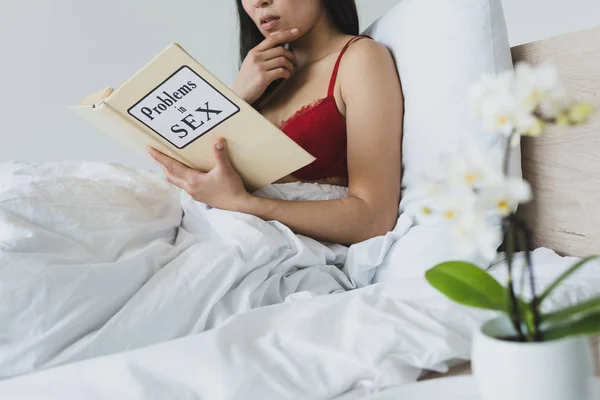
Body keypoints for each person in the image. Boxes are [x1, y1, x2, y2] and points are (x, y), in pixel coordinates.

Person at [148, 0, 403, 246]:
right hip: (215, 233)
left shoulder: (360, 58)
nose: (259, 2)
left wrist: (243, 204)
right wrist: (237, 96)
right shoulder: (262, 80)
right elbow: (203, 174)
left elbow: (374, 218)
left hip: (280, 249)